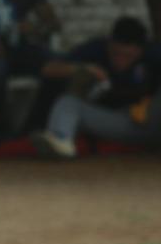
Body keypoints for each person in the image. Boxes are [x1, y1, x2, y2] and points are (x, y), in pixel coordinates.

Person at [31, 17, 161, 158]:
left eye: (128, 56)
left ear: (140, 50)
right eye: (116, 54)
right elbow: (47, 69)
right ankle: (61, 140)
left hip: (150, 120)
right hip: (121, 122)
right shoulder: (96, 50)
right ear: (109, 44)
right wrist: (84, 69)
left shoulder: (153, 53)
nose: (120, 61)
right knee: (68, 103)